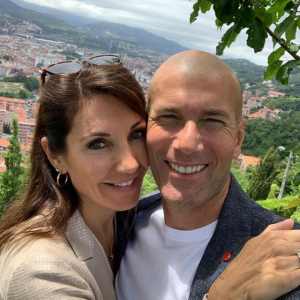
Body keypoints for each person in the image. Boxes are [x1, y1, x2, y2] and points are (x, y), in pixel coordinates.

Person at [115, 50, 300, 300]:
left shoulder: (284, 261)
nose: (187, 144)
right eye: (169, 117)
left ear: (237, 140)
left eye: (212, 120)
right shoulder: (119, 222)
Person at [0, 56, 149, 300]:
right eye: (98, 143)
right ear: (55, 155)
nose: (131, 163)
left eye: (137, 134)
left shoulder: (127, 220)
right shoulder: (40, 273)